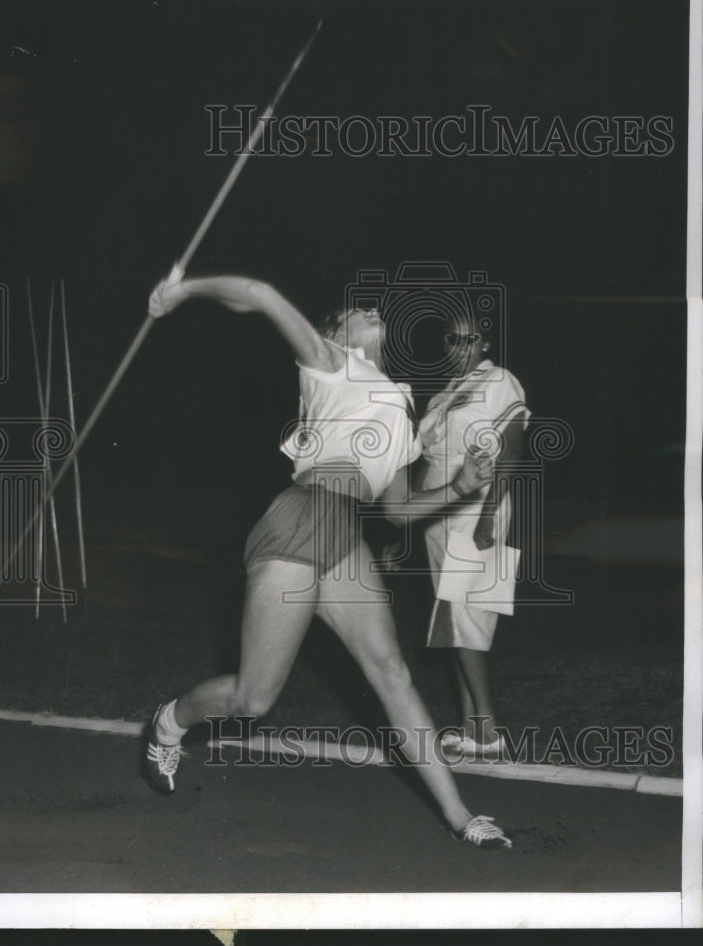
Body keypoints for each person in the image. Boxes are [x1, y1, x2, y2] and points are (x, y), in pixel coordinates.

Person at [143, 265, 513, 848]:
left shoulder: (399, 405)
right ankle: (170, 722)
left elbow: (397, 512)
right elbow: (262, 293)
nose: (371, 310)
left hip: (345, 536)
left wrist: (463, 486)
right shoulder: (329, 362)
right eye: (356, 309)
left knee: (392, 671)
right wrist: (182, 291)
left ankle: (461, 818)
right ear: (337, 330)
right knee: (253, 699)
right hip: (301, 517)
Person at [418, 312, 530, 755]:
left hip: (478, 507)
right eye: (453, 337)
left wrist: (490, 514)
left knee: (467, 617)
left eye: (472, 337)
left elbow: (514, 451)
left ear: (485, 344)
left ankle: (487, 730)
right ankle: (470, 730)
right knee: (455, 620)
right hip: (437, 514)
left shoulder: (500, 381)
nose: (462, 344)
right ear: (443, 344)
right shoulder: (444, 394)